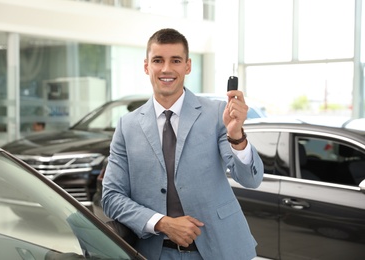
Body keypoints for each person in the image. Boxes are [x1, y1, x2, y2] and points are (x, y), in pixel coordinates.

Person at [102, 28, 264, 260]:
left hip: (221, 250)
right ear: (146, 66)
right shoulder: (127, 126)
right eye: (158, 60)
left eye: (175, 60)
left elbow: (251, 179)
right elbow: (111, 197)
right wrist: (162, 223)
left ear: (187, 66)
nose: (166, 69)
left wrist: (236, 134)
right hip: (155, 253)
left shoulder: (217, 113)